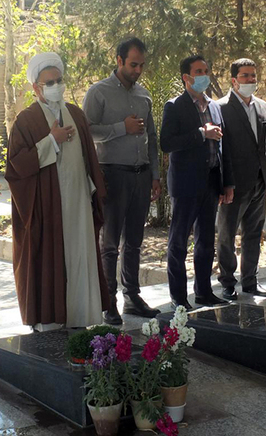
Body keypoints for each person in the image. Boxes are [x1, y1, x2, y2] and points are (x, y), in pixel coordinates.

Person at [5, 52, 110, 331]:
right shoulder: (26, 121)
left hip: (78, 202)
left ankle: (80, 314)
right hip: (47, 205)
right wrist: (51, 140)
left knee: (80, 255)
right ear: (36, 87)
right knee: (50, 258)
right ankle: (50, 319)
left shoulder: (76, 114)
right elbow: (16, 166)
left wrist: (93, 194)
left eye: (58, 80)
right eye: (48, 82)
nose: (56, 86)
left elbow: (89, 159)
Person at [83, 37, 161, 324]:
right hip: (112, 175)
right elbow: (87, 131)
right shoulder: (98, 92)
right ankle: (108, 302)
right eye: (133, 64)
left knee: (135, 242)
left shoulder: (144, 95)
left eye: (142, 65)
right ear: (119, 60)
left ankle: (132, 297)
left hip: (141, 176)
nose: (138, 70)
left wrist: (155, 175)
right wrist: (121, 128)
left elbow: (151, 137)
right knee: (110, 244)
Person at [160, 55, 234, 310]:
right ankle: (179, 297)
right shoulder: (175, 106)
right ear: (186, 77)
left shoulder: (214, 107)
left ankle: (203, 292)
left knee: (206, 241)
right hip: (186, 185)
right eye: (198, 71)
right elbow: (167, 143)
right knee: (179, 242)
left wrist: (226, 183)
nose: (204, 75)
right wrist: (202, 133)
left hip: (211, 184)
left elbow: (224, 147)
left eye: (206, 70)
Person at [216, 58, 266, 300]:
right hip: (234, 184)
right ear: (234, 80)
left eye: (253, 75)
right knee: (227, 234)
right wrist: (224, 183)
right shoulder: (221, 107)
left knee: (253, 233)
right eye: (245, 75)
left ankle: (250, 281)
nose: (251, 80)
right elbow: (220, 150)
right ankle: (227, 282)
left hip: (260, 182)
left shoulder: (263, 107)